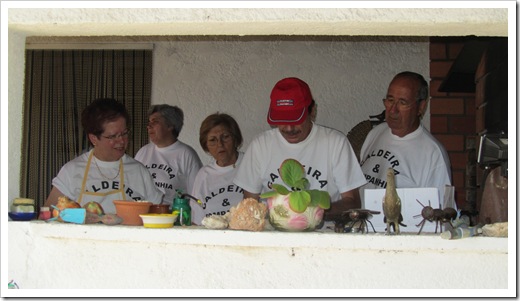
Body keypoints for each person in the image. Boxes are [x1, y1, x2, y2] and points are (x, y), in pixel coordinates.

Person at [233, 77, 367, 221]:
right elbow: (249, 204)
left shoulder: (335, 143)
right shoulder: (260, 146)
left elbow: (353, 201)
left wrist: (312, 214)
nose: (289, 128)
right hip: (274, 236)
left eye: (295, 120)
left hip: (325, 235)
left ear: (313, 111)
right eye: (282, 121)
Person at [44, 98, 163, 214]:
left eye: (124, 133)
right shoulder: (72, 170)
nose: (121, 141)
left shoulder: (139, 171)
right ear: (94, 138)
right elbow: (49, 213)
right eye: (113, 136)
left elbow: (156, 214)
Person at [359, 71, 452, 204]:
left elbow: (439, 212)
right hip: (361, 224)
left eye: (402, 103)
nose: (392, 110)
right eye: (390, 100)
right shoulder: (375, 134)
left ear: (421, 107)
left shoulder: (433, 154)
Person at [135, 104, 202, 207]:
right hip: (143, 216)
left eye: (155, 121)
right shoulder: (143, 152)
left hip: (172, 219)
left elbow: (196, 196)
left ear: (170, 125)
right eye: (149, 122)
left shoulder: (187, 154)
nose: (149, 126)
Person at [190, 113, 245, 225]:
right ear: (206, 146)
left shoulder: (250, 164)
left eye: (225, 137)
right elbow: (196, 219)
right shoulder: (203, 175)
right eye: (212, 140)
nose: (220, 144)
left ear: (235, 139)